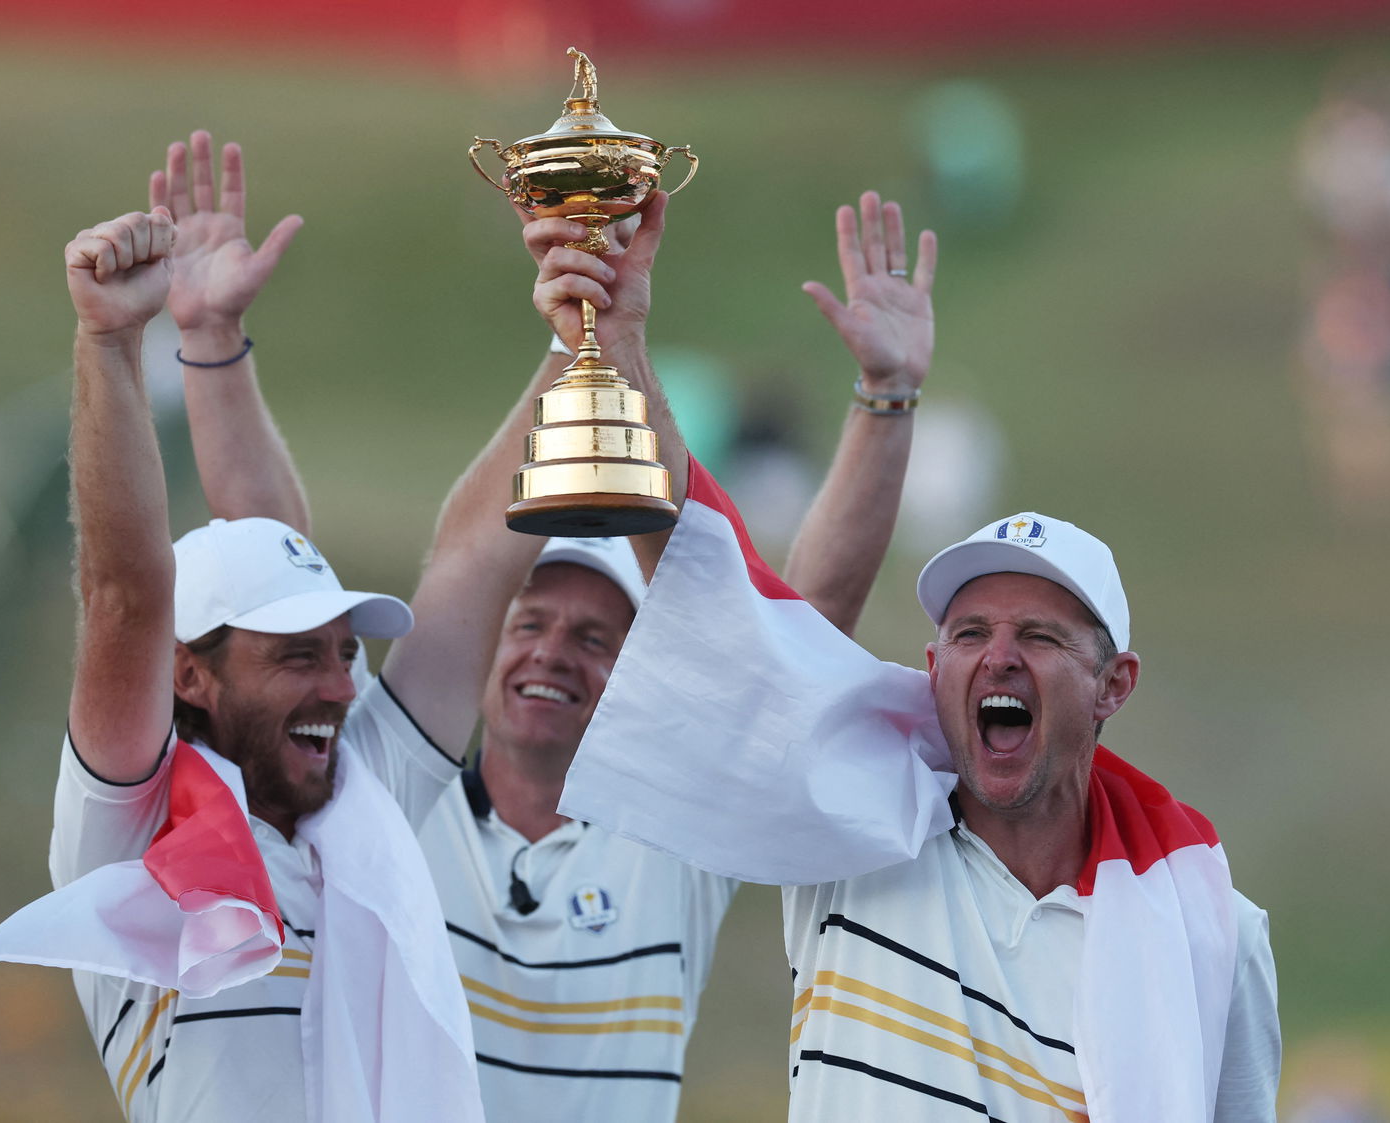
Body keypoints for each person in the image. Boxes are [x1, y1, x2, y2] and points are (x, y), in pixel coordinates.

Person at [146, 135, 942, 1120]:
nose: (552, 648)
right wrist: (212, 339)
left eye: (596, 635)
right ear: (487, 642)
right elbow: (280, 580)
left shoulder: (671, 828)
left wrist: (886, 397)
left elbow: (797, 635)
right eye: (530, 618)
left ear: (641, 669)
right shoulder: (388, 796)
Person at [534, 193, 1280, 1120]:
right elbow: (742, 602)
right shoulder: (855, 819)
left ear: (1112, 685)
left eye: (1039, 635)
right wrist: (620, 343)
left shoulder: (1210, 929)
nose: (997, 657)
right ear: (933, 667)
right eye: (969, 633)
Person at [0, 130, 564, 1121]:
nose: (342, 684)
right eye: (298, 656)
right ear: (189, 676)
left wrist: (579, 332)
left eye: (345, 651)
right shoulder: (131, 832)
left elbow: (475, 555)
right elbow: (125, 594)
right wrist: (110, 343)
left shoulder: (364, 784)